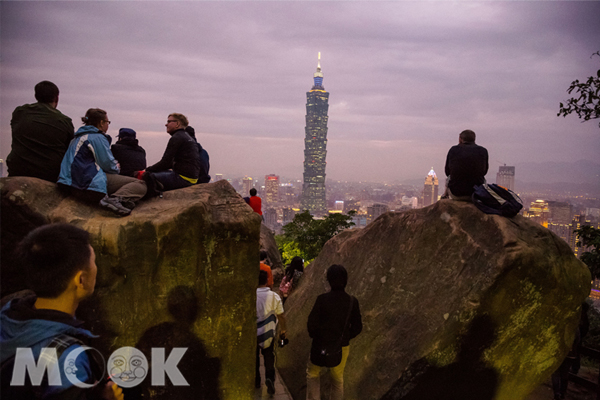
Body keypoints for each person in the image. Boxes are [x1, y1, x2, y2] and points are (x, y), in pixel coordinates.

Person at [0, 223, 123, 400]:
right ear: (81, 280)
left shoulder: (8, 313)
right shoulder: (68, 361)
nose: (96, 268)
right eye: (93, 262)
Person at [58, 108, 147, 216]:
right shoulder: (97, 137)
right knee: (140, 184)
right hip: (87, 184)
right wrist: (116, 167)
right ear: (101, 123)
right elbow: (107, 164)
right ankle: (115, 200)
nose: (108, 125)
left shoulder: (77, 137)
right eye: (107, 122)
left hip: (68, 183)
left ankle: (120, 200)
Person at [306, 264, 362, 400]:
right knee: (337, 379)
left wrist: (318, 335)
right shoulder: (351, 302)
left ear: (329, 280)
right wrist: (345, 337)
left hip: (320, 345)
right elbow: (357, 327)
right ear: (345, 279)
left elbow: (311, 324)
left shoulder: (322, 299)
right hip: (341, 346)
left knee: (313, 373)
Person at [7, 81, 74, 182]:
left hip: (17, 171)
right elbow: (70, 149)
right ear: (57, 98)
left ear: (36, 96)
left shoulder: (20, 112)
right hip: (49, 175)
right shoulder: (64, 121)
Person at [144, 113, 200, 192]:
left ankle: (151, 201)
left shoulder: (177, 137)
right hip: (191, 178)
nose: (166, 124)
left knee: (148, 177)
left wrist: (147, 170)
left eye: (169, 121)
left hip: (182, 179)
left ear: (177, 124)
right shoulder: (187, 137)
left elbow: (165, 162)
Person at [256, 270, 287, 395]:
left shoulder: (252, 295)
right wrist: (283, 330)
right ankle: (270, 378)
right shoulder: (274, 296)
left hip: (254, 333)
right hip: (269, 331)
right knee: (269, 356)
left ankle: (256, 380)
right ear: (267, 281)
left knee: (255, 358)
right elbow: (281, 315)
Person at [443, 129, 489, 201]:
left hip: (456, 194)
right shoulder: (483, 151)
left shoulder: (453, 150)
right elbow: (484, 172)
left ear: (460, 139)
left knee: (449, 177)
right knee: (483, 179)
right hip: (477, 194)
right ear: (474, 139)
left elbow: (447, 172)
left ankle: (445, 195)